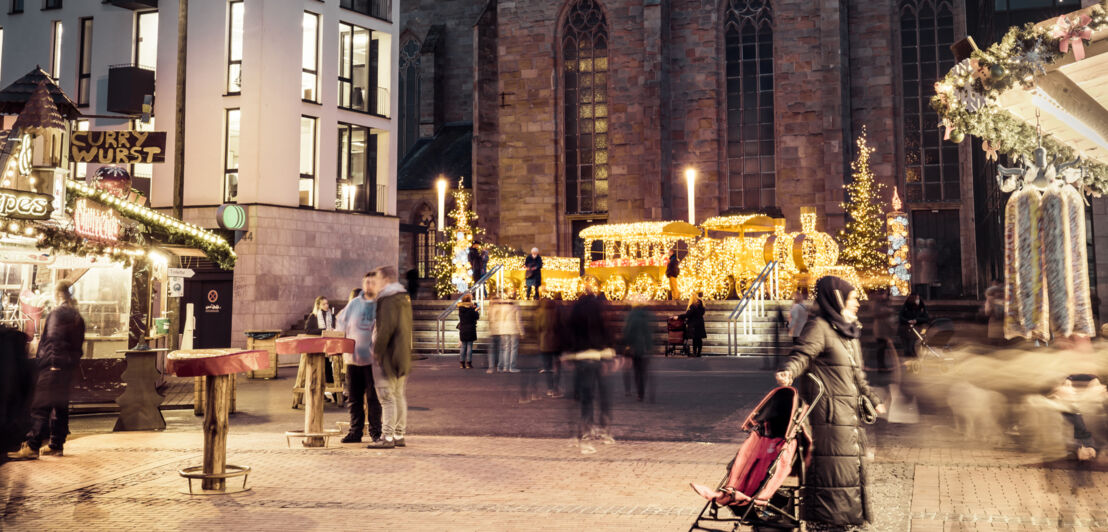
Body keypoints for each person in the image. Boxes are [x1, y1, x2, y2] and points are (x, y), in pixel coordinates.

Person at [774, 276, 885, 531]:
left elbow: (858, 375)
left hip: (848, 416)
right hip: (829, 417)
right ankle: (824, 522)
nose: (858, 303)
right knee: (832, 471)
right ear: (837, 299)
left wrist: (873, 399)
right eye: (853, 298)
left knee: (848, 471)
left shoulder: (848, 331)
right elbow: (801, 354)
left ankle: (845, 520)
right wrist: (789, 372)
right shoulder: (819, 327)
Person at [10, 282, 86, 459]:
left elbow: (53, 339)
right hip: (67, 367)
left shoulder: (58, 314)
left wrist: (50, 363)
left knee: (40, 406)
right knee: (60, 407)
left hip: (53, 365)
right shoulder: (76, 315)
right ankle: (56, 444)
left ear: (58, 294)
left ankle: (32, 446)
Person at [563, 279, 615, 453]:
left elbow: (570, 332)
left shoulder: (576, 310)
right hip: (598, 354)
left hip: (582, 355)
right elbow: (605, 329)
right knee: (603, 394)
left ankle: (587, 428)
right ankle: (605, 428)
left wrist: (570, 353)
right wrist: (610, 349)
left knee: (586, 395)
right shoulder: (598, 309)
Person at [366, 265, 413, 449]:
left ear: (385, 279)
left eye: (377, 279)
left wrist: (377, 350)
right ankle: (399, 434)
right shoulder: (404, 297)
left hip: (389, 355)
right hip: (402, 354)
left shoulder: (388, 299)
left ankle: (387, 437)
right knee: (399, 395)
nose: (375, 283)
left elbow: (385, 328)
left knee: (387, 397)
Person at [335, 274, 382, 444]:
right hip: (353, 358)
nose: (368, 285)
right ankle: (355, 431)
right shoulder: (354, 304)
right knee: (354, 397)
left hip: (371, 360)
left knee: (373, 397)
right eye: (366, 282)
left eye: (372, 282)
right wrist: (340, 341)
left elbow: (380, 328)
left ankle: (376, 432)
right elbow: (341, 320)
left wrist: (375, 348)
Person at [622, 297, 656, 401]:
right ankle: (642, 391)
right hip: (645, 347)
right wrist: (650, 346)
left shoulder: (631, 316)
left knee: (637, 371)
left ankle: (639, 393)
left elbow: (627, 331)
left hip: (635, 347)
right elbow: (650, 332)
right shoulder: (647, 316)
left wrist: (627, 344)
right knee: (643, 370)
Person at [535, 296, 562, 397]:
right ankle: (556, 387)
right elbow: (560, 326)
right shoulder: (556, 312)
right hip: (556, 342)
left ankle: (550, 388)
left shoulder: (539, 313)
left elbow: (537, 328)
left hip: (544, 343)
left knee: (547, 367)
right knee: (557, 366)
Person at [898, 293, 930, 359]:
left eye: (918, 299)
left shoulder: (921, 306)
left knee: (914, 346)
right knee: (907, 347)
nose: (917, 300)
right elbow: (901, 317)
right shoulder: (906, 307)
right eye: (916, 299)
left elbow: (926, 318)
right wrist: (908, 321)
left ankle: (914, 359)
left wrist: (916, 320)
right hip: (906, 330)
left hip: (917, 330)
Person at [494, 299, 522, 373]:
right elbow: (518, 321)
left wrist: (500, 330)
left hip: (504, 330)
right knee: (514, 349)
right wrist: (522, 332)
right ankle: (512, 367)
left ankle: (505, 367)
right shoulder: (516, 308)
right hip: (514, 329)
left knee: (506, 348)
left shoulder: (502, 308)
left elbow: (500, 320)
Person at [457, 294, 479, 369]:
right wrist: (475, 310)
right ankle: (468, 363)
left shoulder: (460, 309)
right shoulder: (471, 309)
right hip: (470, 329)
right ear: (469, 301)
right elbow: (476, 317)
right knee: (469, 346)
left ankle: (461, 363)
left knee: (463, 346)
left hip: (463, 329)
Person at [684, 293, 707, 357]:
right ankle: (699, 353)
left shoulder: (693, 306)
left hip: (694, 325)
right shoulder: (702, 305)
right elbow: (702, 313)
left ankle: (695, 352)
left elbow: (688, 315)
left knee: (695, 339)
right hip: (700, 323)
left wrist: (679, 316)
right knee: (699, 339)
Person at [983, 279, 1005, 346]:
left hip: (999, 324)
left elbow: (987, 312)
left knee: (998, 341)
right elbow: (987, 312)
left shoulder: (1003, 299)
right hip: (995, 324)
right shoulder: (990, 299)